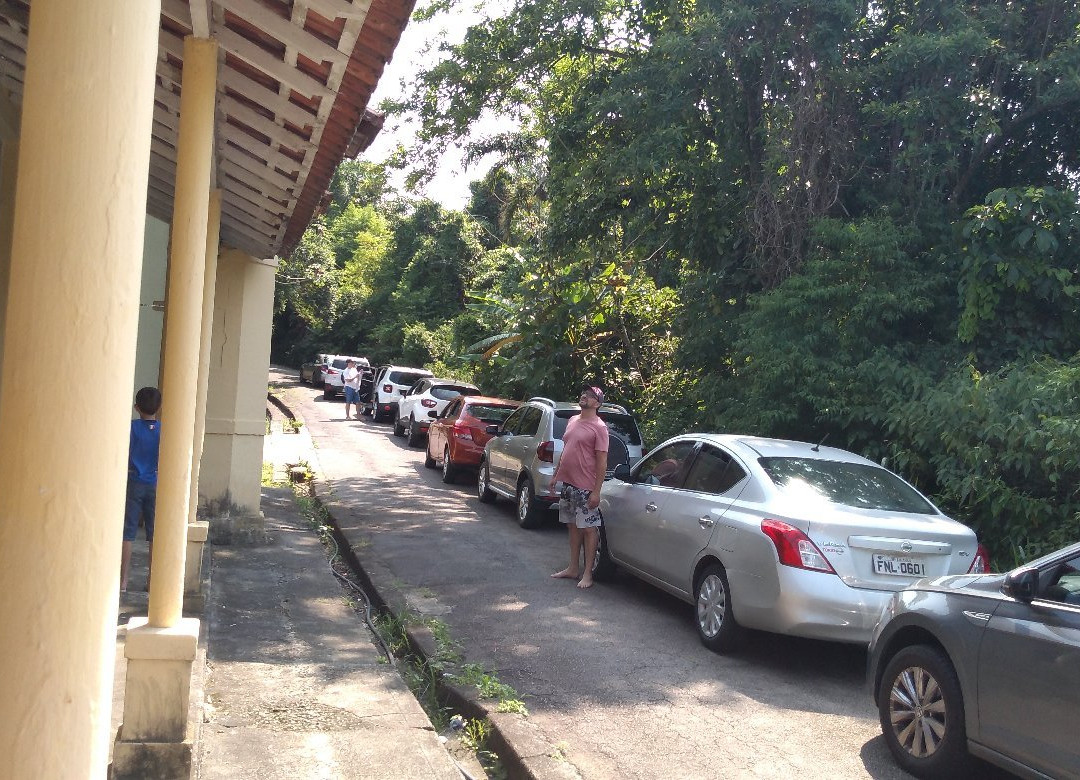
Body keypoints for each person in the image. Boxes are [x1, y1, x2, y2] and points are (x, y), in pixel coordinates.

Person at [550, 385, 609, 589]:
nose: (585, 396)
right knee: (572, 525)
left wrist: (596, 491)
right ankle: (572, 568)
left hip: (586, 487)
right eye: (584, 393)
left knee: (589, 529)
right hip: (568, 484)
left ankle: (587, 574)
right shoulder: (573, 420)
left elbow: (602, 461)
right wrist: (556, 475)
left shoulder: (599, 427)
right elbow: (567, 448)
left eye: (591, 396)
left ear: (598, 404)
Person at [120, 386, 161, 593]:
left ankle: (123, 581)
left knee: (128, 532)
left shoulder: (132, 428)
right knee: (154, 534)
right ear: (159, 408)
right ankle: (151, 579)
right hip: (154, 481)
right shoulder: (163, 429)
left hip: (134, 480)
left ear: (137, 407)